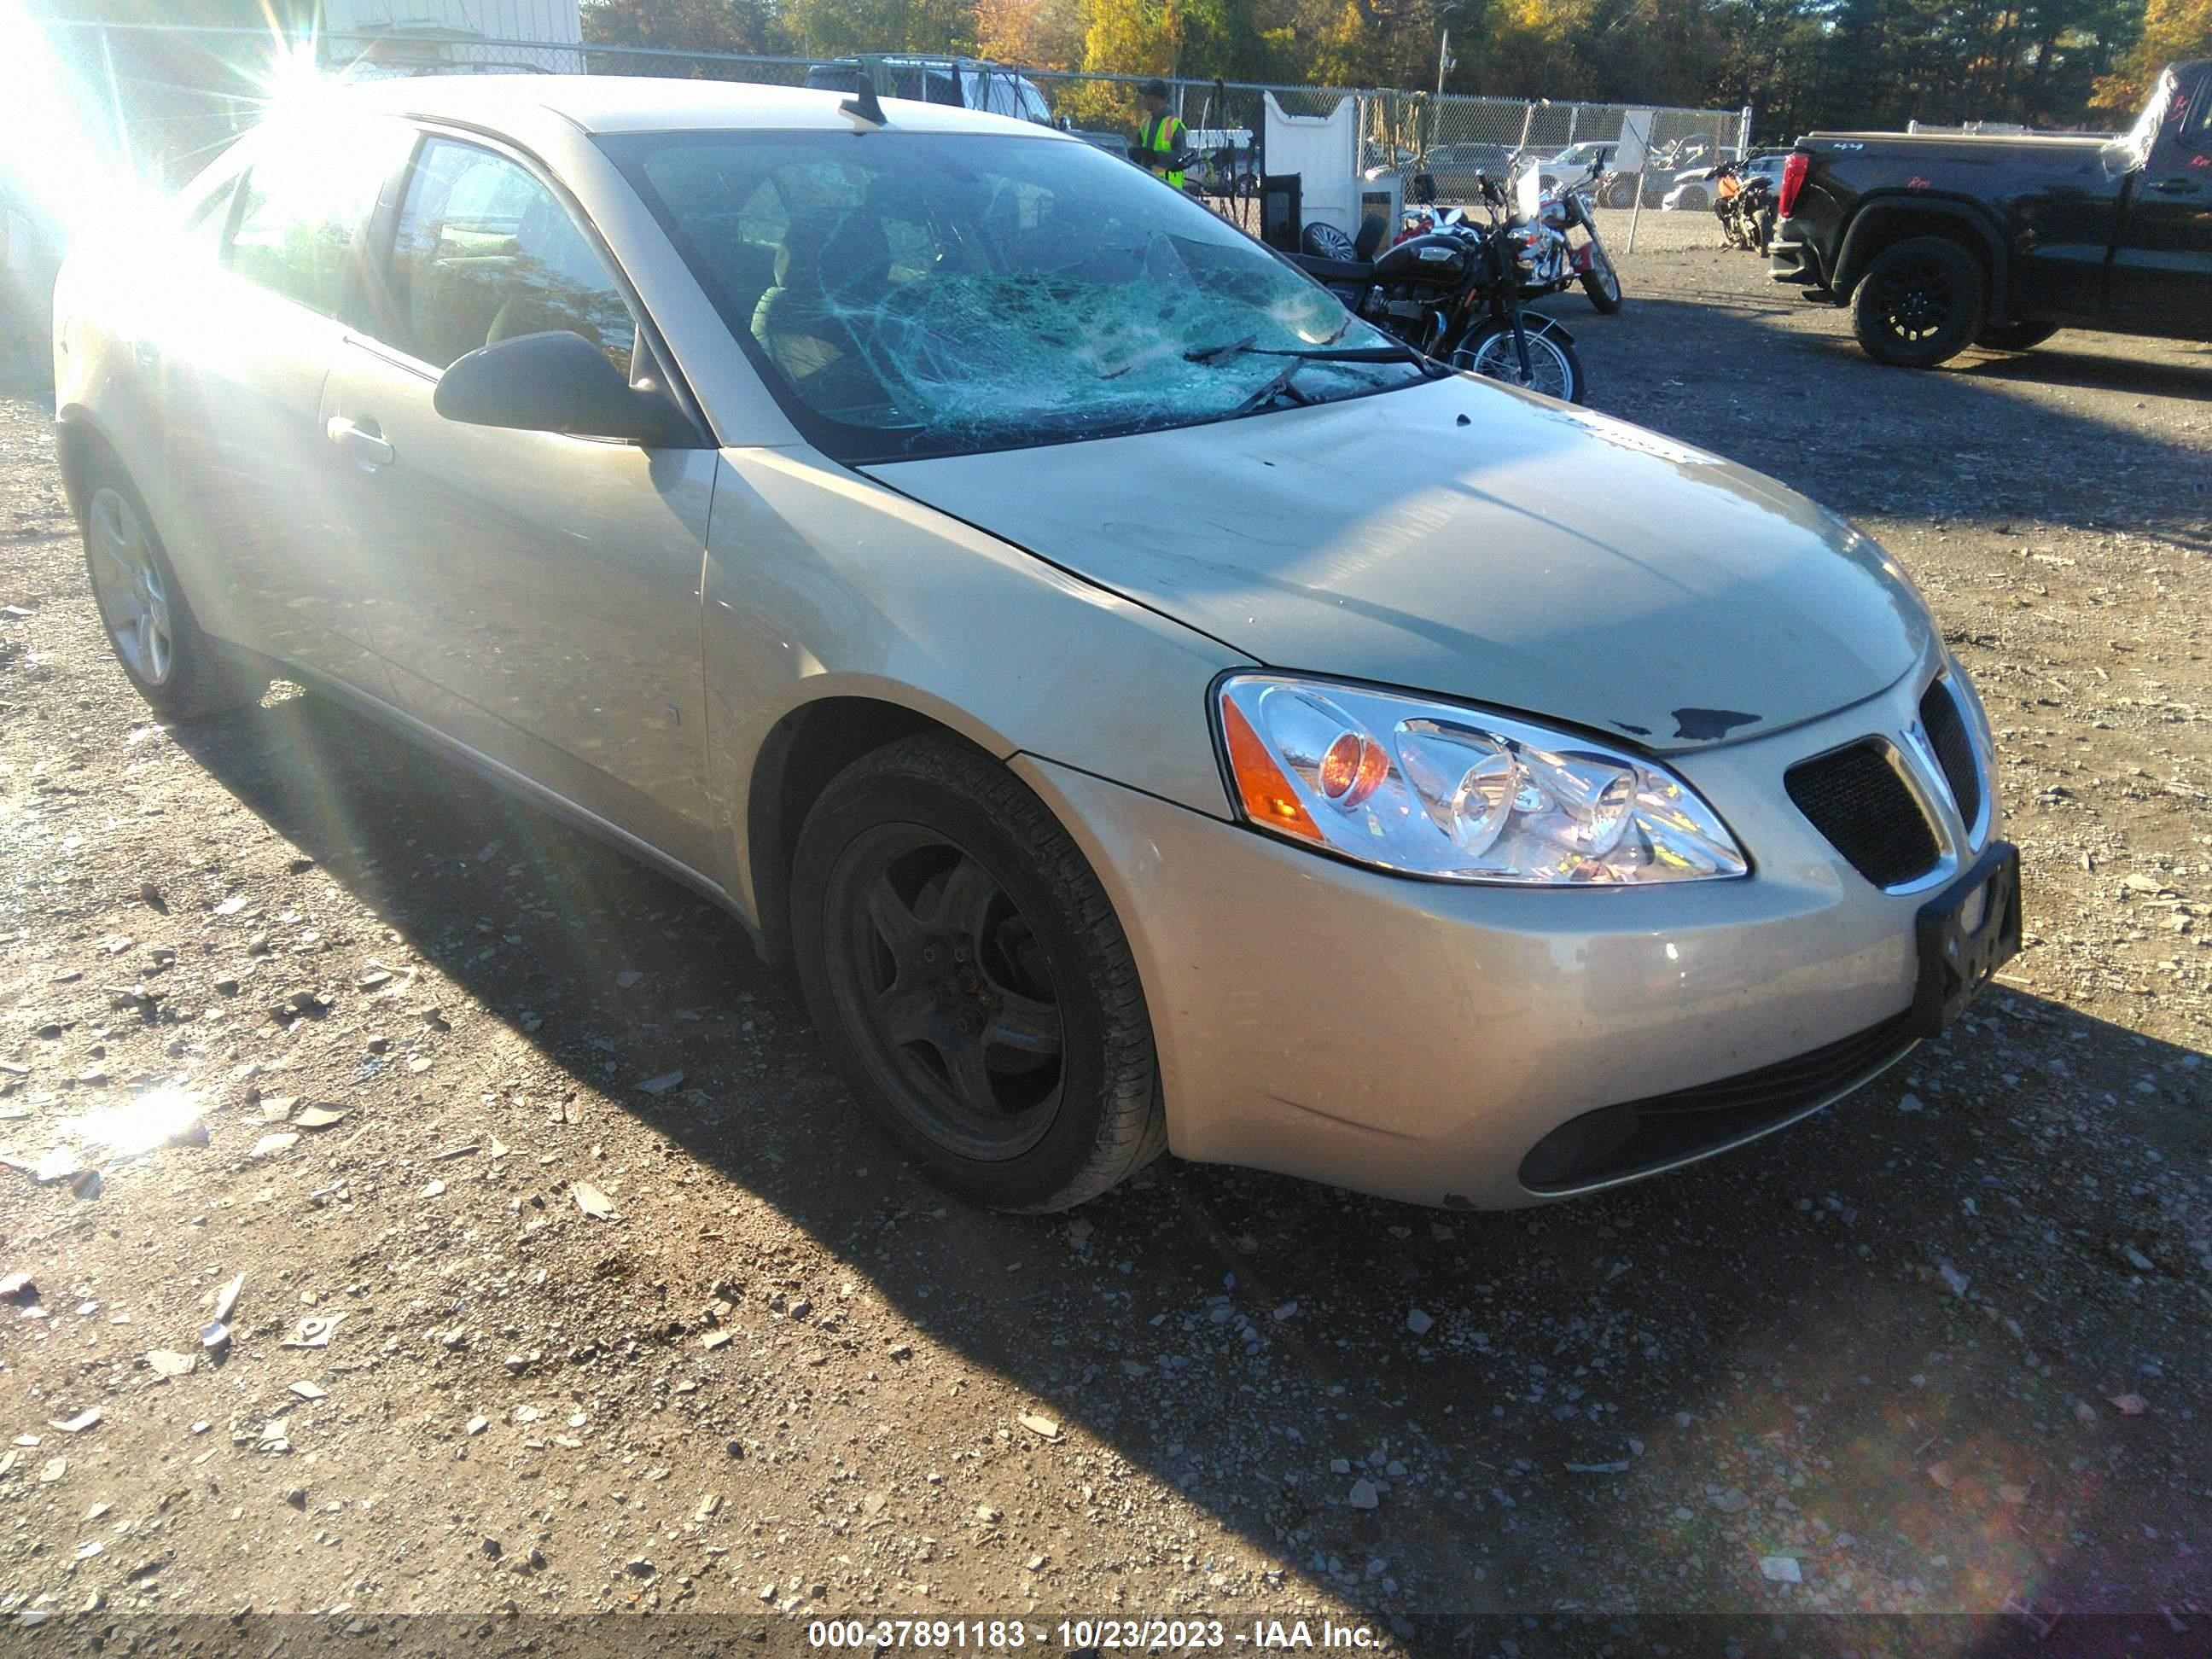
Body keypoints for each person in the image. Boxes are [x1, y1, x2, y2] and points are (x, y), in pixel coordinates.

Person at [1134, 79, 1189, 191]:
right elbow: (1140, 148)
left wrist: (1155, 157)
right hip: (1149, 183)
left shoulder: (1174, 125)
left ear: (1156, 98)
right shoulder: (1146, 123)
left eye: (1146, 96)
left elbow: (1181, 157)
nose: (1144, 99)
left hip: (1169, 189)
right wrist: (1136, 153)